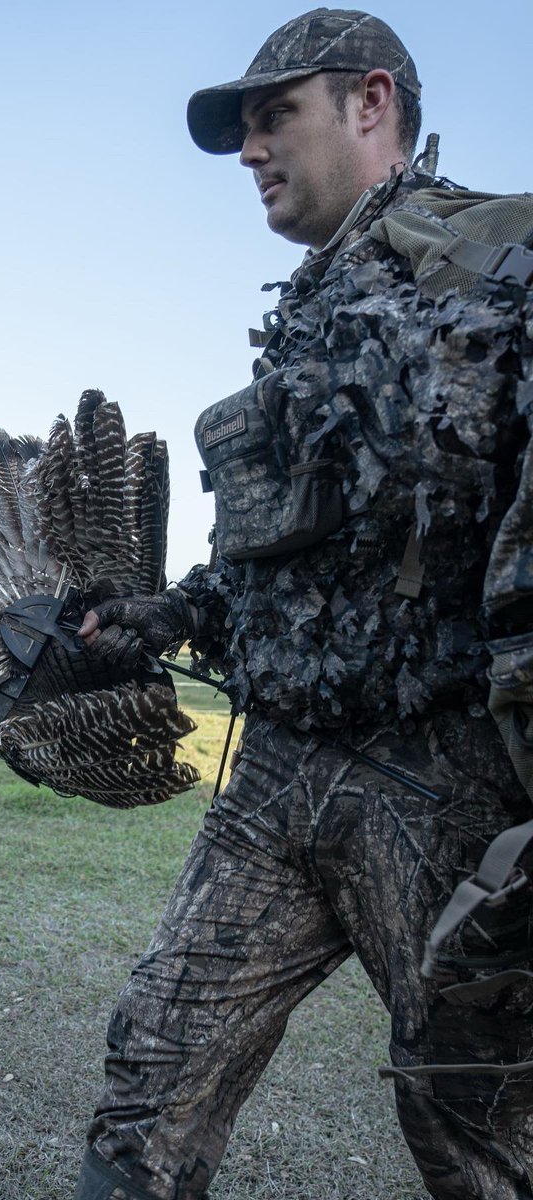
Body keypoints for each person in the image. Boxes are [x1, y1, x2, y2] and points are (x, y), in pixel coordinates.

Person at [72, 10, 533, 1199]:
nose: (251, 150)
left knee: (478, 1124)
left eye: (274, 115)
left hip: (442, 784)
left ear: (371, 101)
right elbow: (287, 565)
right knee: (151, 1074)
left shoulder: (509, 263)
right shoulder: (306, 315)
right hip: (276, 777)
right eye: (244, 129)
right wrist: (164, 616)